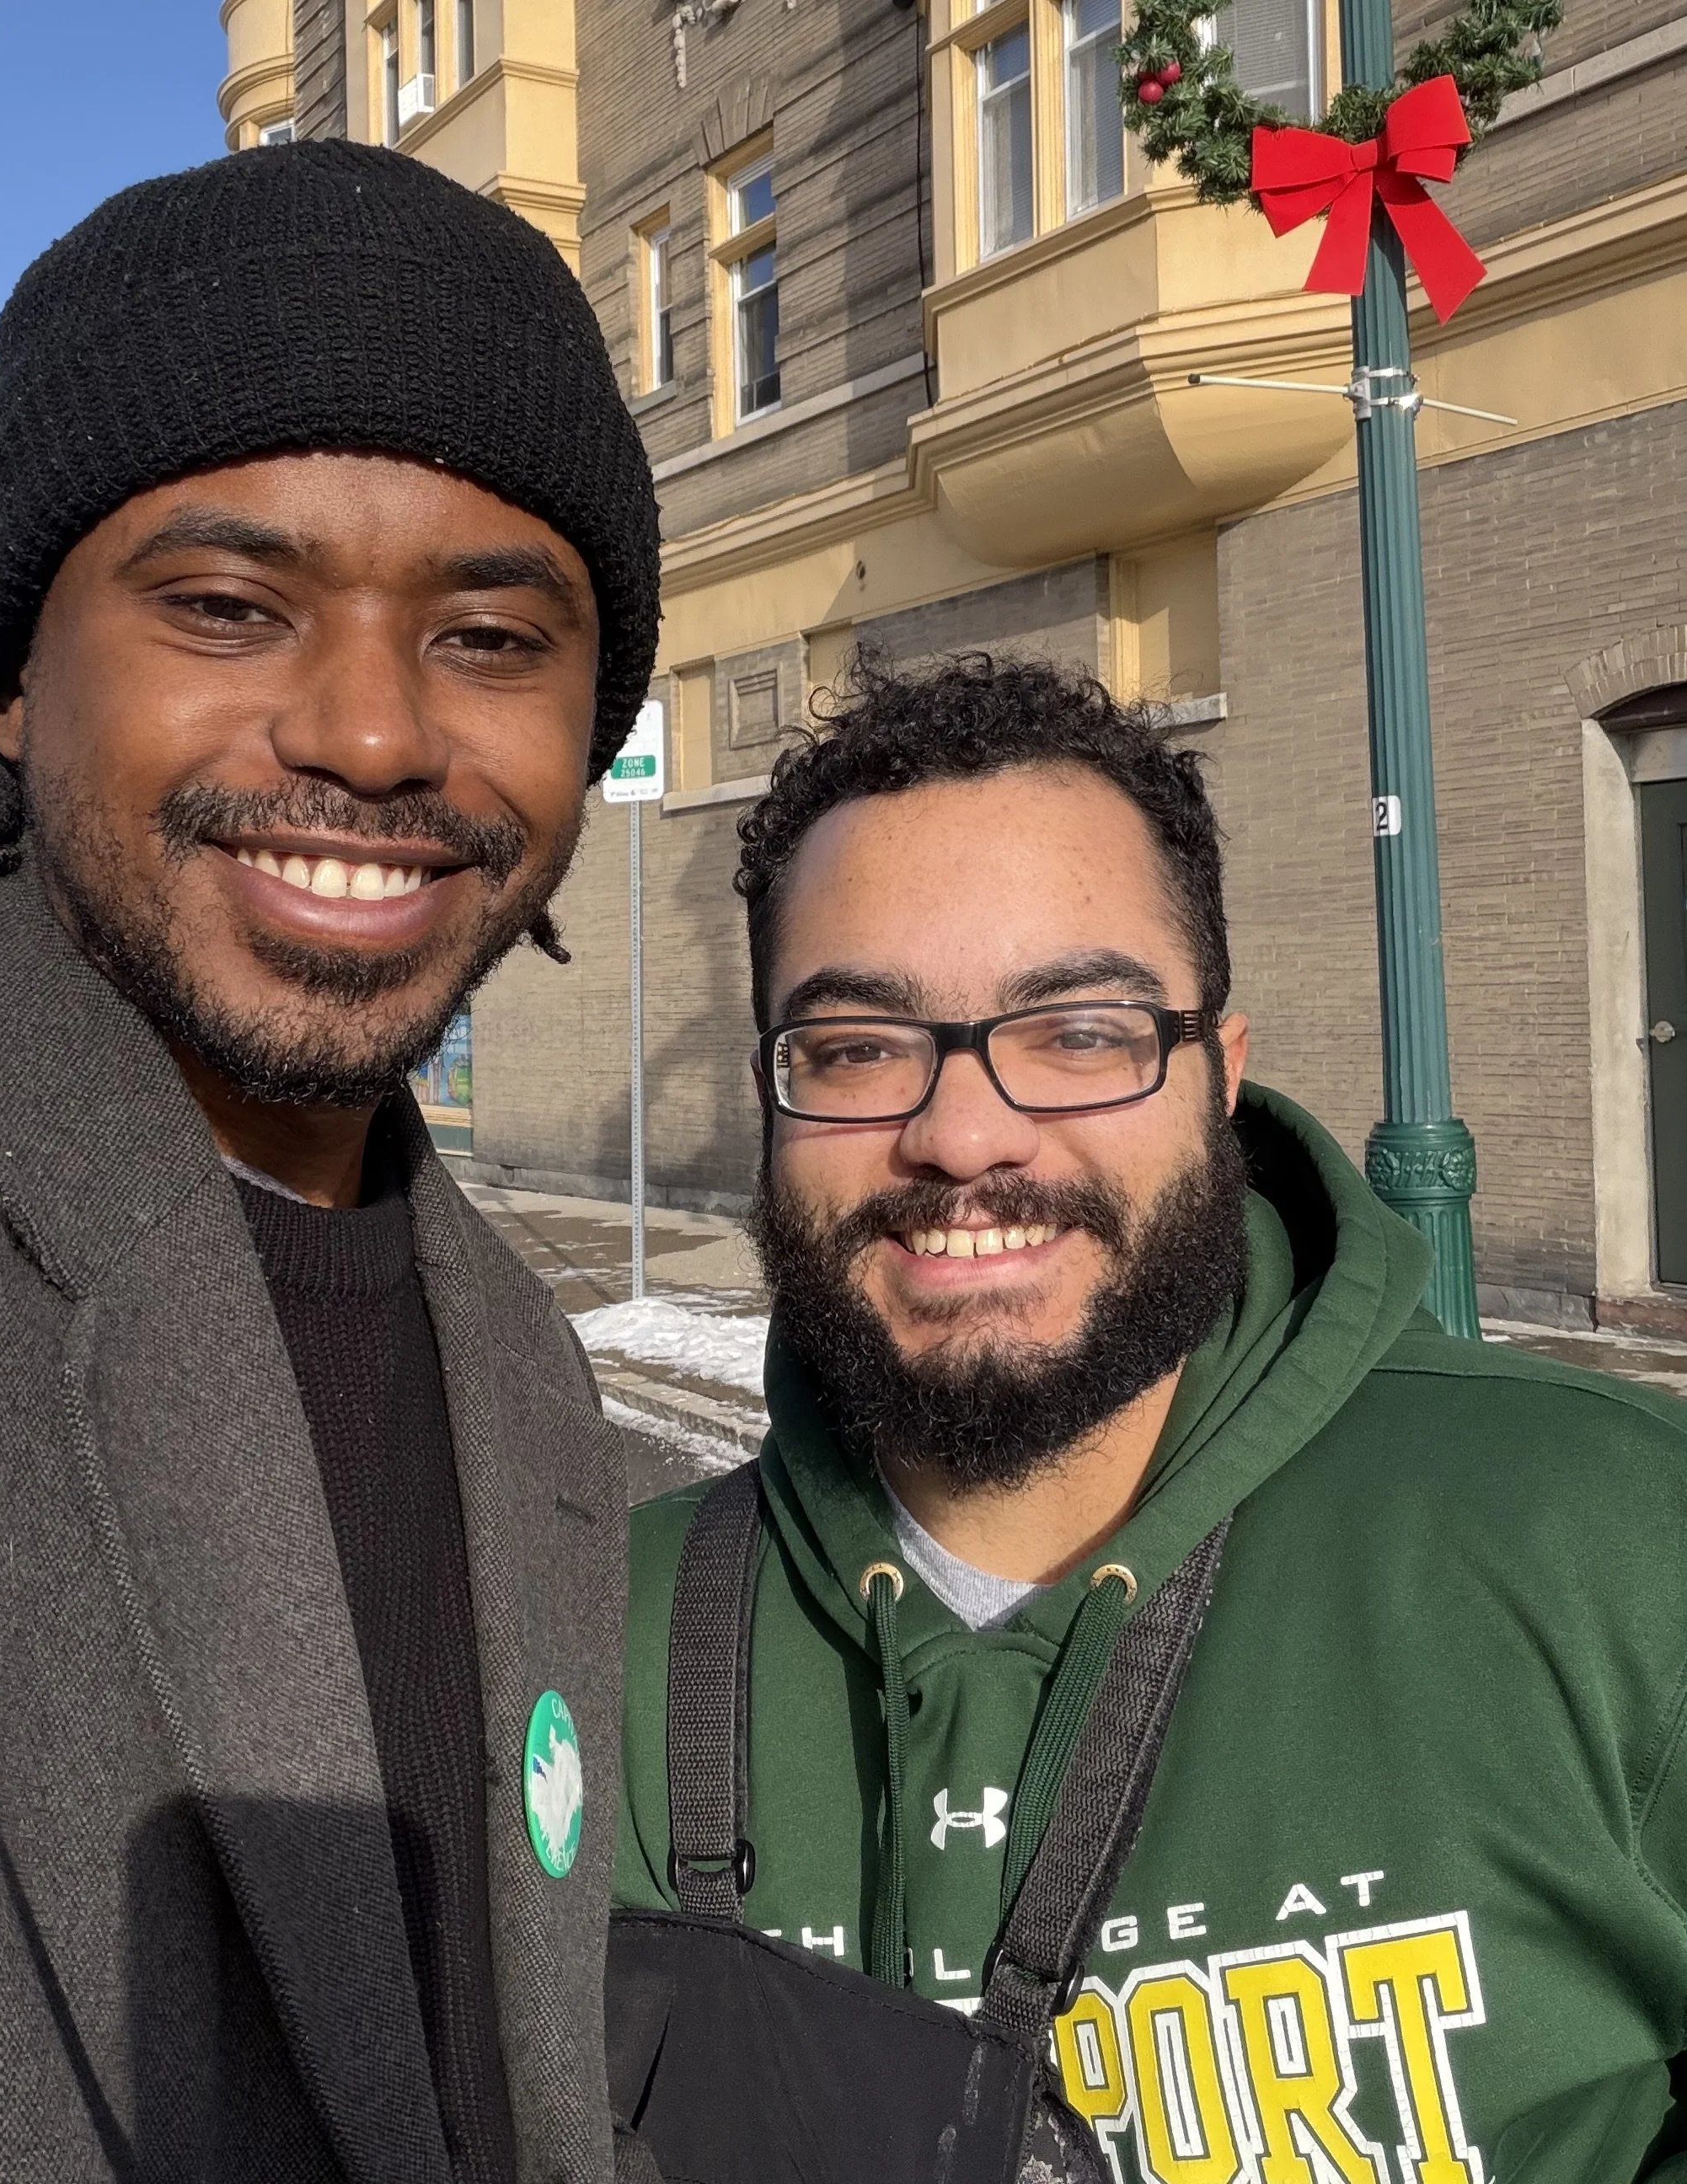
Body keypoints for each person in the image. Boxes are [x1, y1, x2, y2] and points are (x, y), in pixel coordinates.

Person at [0, 142, 659, 2178]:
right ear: (10, 673)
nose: (371, 734)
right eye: (230, 606)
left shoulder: (518, 1350)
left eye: (495, 636)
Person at [611, 653, 1687, 2184]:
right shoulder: (592, 1644)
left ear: (1219, 1079)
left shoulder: (1620, 1545)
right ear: (774, 1104)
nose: (963, 1132)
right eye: (856, 1049)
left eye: (1081, 1031)